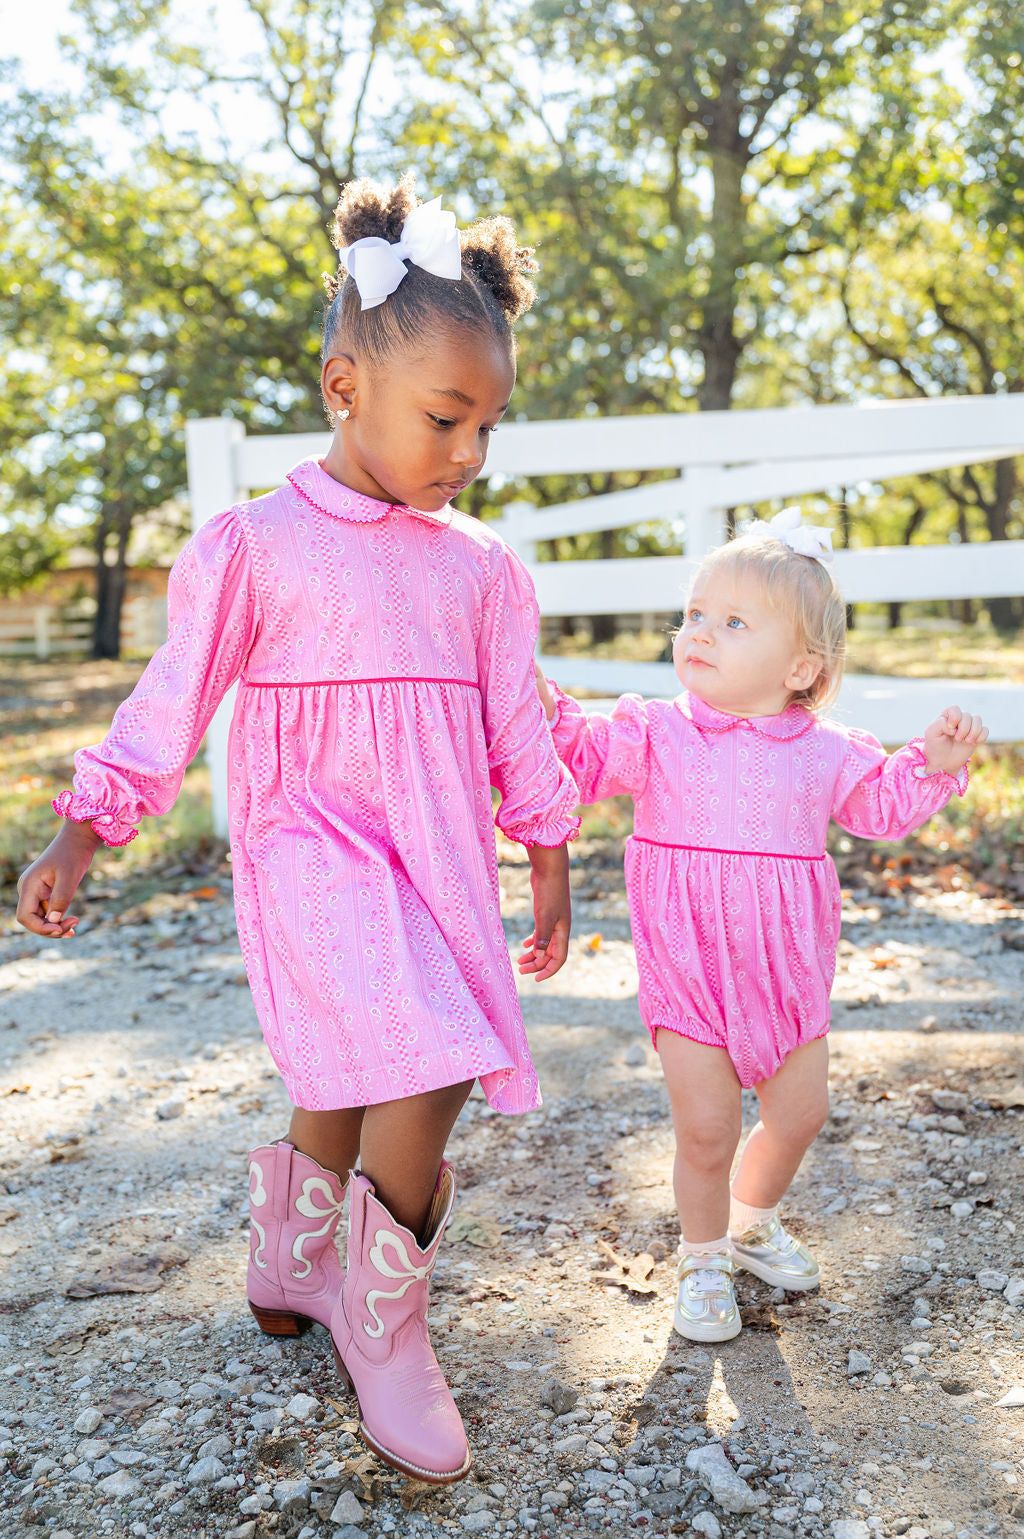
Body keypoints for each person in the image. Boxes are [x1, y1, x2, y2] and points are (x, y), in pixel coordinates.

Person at [16, 174, 580, 1483]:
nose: (468, 454)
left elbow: (521, 731)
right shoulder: (252, 548)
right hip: (309, 847)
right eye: (446, 418)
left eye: (486, 425)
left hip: (436, 858)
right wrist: (86, 831)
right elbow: (174, 699)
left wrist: (549, 853)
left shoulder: (482, 569)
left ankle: (290, 1259)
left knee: (351, 1064)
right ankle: (382, 1324)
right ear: (344, 388)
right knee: (426, 1051)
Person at [536, 508, 987, 1343]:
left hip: (785, 968)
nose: (699, 632)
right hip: (690, 966)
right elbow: (587, 757)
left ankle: (750, 1223)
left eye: (733, 621)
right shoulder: (656, 732)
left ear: (802, 665)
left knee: (801, 1112)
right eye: (695, 614)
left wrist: (936, 763)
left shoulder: (828, 749)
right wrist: (546, 707)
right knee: (706, 1127)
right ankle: (703, 1256)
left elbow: (881, 808)